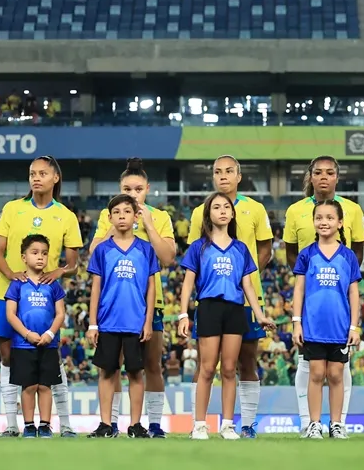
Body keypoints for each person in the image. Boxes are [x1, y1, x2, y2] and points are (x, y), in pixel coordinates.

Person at [0, 156, 82, 437]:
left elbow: (73, 262)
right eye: (32, 173)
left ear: (55, 178)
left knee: (50, 358)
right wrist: (12, 273)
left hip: (44, 299)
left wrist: (58, 272)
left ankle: (63, 423)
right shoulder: (12, 209)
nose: (36, 178)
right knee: (8, 356)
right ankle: (13, 424)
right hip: (9, 294)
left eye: (42, 173)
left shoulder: (65, 215)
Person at [186, 155, 273, 437]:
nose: (223, 176)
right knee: (207, 367)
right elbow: (190, 277)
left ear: (239, 175)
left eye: (228, 171)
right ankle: (199, 423)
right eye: (217, 172)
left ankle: (232, 424)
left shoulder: (243, 240)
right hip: (209, 307)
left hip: (239, 307)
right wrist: (183, 312)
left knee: (235, 366)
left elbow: (251, 276)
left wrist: (260, 313)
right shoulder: (200, 244)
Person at [89, 158, 176, 438]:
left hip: (149, 304)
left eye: (138, 189)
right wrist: (119, 222)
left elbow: (168, 258)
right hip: (112, 307)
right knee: (110, 367)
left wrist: (147, 224)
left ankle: (152, 424)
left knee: (150, 365)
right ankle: (110, 423)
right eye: (127, 188)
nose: (133, 193)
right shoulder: (111, 215)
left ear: (147, 189)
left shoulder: (160, 217)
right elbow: (94, 253)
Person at [284, 156, 364, 432]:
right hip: (312, 323)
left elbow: (354, 291)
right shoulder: (306, 254)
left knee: (337, 374)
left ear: (341, 222)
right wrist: (297, 320)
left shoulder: (348, 256)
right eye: (319, 218)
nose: (324, 222)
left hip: (341, 325)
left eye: (330, 218)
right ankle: (313, 424)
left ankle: (338, 423)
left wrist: (354, 325)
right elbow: (298, 284)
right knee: (314, 373)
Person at [87, 195, 160, 439]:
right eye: (116, 212)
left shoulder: (146, 249)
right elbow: (95, 288)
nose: (121, 216)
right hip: (108, 321)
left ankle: (136, 424)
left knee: (136, 373)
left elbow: (152, 288)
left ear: (135, 216)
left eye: (126, 211)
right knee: (107, 372)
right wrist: (92, 323)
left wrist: (148, 321)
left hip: (135, 322)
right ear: (109, 218)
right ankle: (106, 424)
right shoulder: (102, 250)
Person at [4, 235, 68, 438]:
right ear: (24, 257)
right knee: (29, 386)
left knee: (45, 386)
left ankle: (46, 425)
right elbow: (10, 314)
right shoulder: (16, 284)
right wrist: (27, 334)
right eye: (35, 253)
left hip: (48, 344)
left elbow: (60, 313)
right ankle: (29, 425)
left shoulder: (53, 285)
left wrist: (50, 333)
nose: (40, 257)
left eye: (44, 253)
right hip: (23, 345)